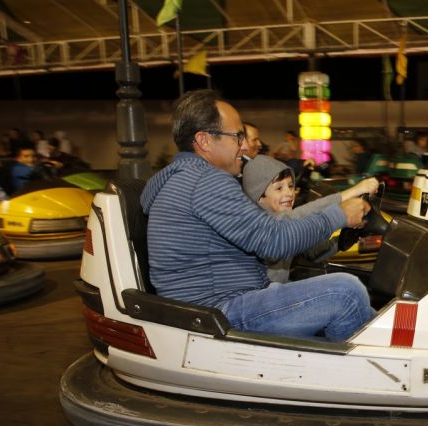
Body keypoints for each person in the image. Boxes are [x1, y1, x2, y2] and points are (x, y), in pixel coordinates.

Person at [140, 90, 375, 342]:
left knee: (369, 313)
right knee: (345, 293)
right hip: (218, 312)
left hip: (217, 305)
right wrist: (339, 215)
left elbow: (269, 232)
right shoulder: (204, 181)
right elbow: (275, 241)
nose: (244, 146)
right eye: (237, 136)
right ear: (204, 140)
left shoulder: (179, 179)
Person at [242, 154, 379, 283]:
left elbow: (311, 253)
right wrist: (352, 193)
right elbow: (295, 217)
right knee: (347, 285)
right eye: (279, 188)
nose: (289, 193)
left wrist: (341, 241)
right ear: (259, 197)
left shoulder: (286, 221)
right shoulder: (258, 225)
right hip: (262, 297)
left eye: (290, 186)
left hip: (279, 289)